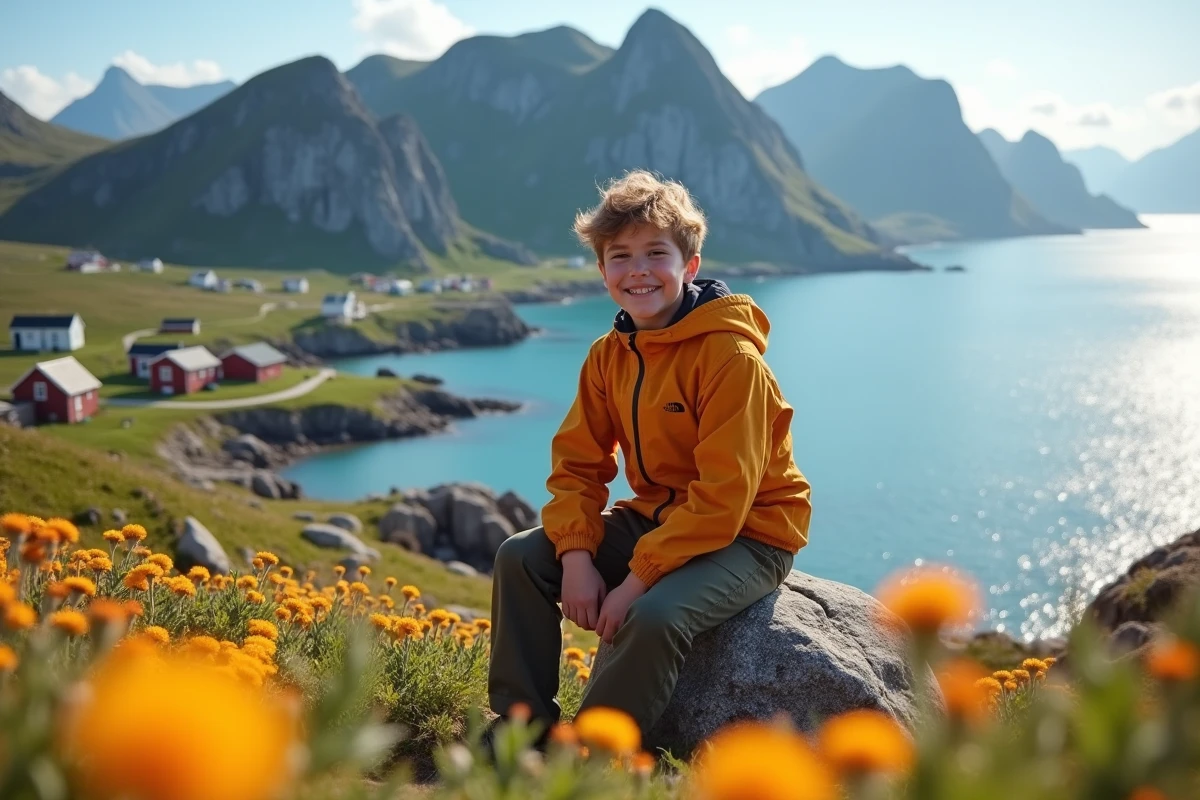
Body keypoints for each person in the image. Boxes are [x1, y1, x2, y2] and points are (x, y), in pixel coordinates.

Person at [488, 169, 812, 740]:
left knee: (654, 615)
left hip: (750, 535)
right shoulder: (607, 355)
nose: (637, 270)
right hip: (658, 519)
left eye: (655, 253)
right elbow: (577, 466)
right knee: (520, 558)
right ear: (602, 270)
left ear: (689, 265)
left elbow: (723, 501)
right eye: (620, 256)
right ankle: (521, 731)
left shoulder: (731, 358)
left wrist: (635, 581)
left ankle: (592, 761)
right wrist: (576, 557)